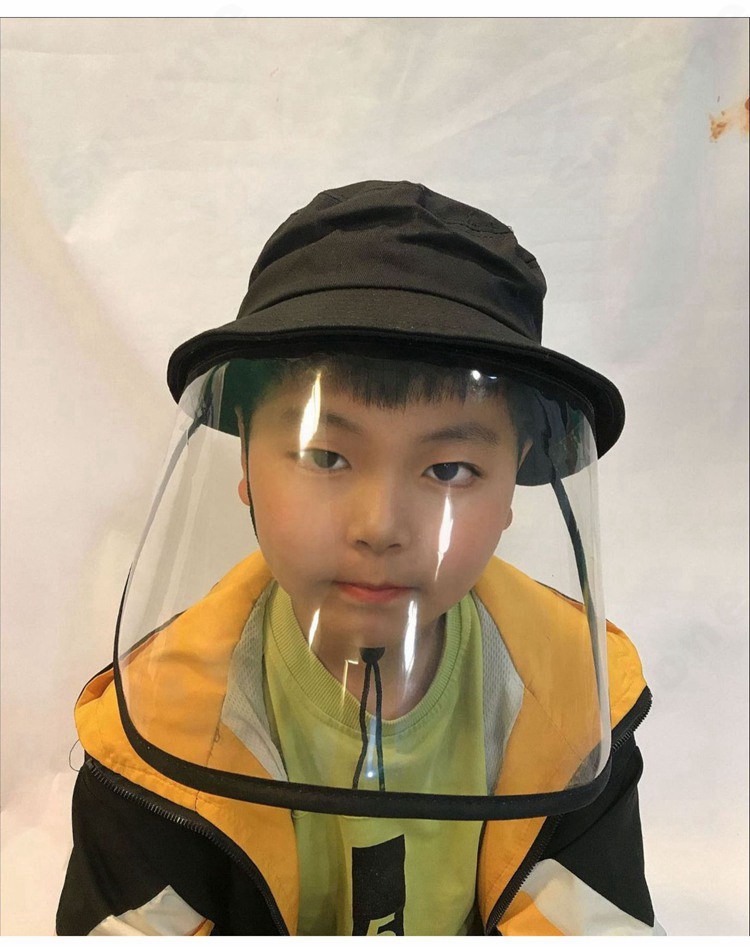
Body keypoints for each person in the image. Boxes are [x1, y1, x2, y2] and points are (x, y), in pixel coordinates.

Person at [57, 180, 664, 936]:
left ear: (514, 484)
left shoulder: (571, 705)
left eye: (449, 469)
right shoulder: (162, 725)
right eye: (325, 455)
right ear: (245, 462)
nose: (380, 527)